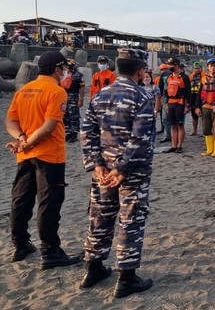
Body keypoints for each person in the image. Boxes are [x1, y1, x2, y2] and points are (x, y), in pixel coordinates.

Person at [79, 48, 154, 298]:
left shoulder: (100, 95)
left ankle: (93, 268)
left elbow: (86, 133)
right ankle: (126, 278)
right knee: (130, 220)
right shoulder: (142, 95)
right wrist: (121, 169)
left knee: (99, 217)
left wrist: (97, 165)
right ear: (140, 70)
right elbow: (140, 138)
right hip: (131, 174)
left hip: (103, 173)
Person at [5, 50, 80, 268]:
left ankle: (20, 244)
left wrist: (21, 139)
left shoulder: (24, 90)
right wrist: (27, 142)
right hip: (49, 154)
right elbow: (49, 127)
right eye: (64, 69)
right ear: (58, 69)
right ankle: (50, 251)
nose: (65, 72)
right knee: (49, 202)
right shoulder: (56, 92)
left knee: (21, 199)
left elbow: (10, 121)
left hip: (25, 154)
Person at [159, 57, 191, 153]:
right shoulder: (169, 77)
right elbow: (167, 91)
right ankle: (173, 145)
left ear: (177, 65)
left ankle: (179, 146)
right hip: (171, 103)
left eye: (172, 65)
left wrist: (187, 105)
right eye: (169, 64)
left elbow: (188, 92)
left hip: (180, 104)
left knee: (180, 125)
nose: (170, 66)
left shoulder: (184, 77)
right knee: (173, 125)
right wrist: (167, 104)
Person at [194, 58, 215, 157]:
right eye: (211, 66)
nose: (213, 68)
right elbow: (198, 94)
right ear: (207, 67)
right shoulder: (203, 79)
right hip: (206, 106)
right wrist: (197, 107)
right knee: (206, 129)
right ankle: (209, 149)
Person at [60, 57, 85, 142]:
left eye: (67, 65)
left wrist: (81, 99)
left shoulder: (78, 75)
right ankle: (68, 133)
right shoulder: (62, 75)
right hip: (63, 98)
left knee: (74, 116)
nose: (65, 67)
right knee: (65, 116)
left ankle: (74, 134)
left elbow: (82, 87)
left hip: (73, 97)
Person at [156, 63, 173, 143]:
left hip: (169, 99)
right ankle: (169, 135)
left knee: (166, 119)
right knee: (168, 119)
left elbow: (160, 88)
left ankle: (169, 136)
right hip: (169, 99)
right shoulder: (165, 76)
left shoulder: (163, 76)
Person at [188, 62, 204, 136]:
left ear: (201, 69)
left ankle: (204, 130)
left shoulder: (204, 76)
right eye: (195, 68)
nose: (196, 70)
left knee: (203, 115)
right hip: (193, 96)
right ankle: (195, 130)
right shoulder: (191, 76)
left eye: (198, 68)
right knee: (194, 115)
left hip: (201, 96)